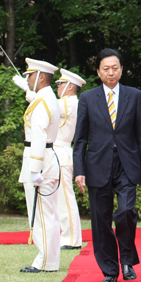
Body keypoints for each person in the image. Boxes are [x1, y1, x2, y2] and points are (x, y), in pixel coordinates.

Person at [73, 49, 141, 282]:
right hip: (97, 165)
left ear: (121, 69)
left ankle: (127, 260)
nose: (111, 72)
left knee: (126, 212)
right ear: (98, 72)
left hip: (128, 164)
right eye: (106, 68)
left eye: (115, 68)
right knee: (101, 219)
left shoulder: (135, 95)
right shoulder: (87, 98)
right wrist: (79, 170)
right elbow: (80, 139)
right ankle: (109, 268)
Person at [12, 58, 61, 272]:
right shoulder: (47, 97)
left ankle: (45, 261)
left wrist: (34, 170)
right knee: (47, 212)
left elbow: (39, 135)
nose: (27, 78)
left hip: (40, 160)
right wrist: (28, 91)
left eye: (29, 75)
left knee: (41, 214)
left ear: (41, 77)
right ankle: (49, 260)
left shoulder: (43, 101)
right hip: (47, 158)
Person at [55, 69, 86, 250]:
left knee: (65, 198)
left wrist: (30, 92)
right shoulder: (67, 103)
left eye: (60, 84)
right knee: (60, 198)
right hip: (59, 151)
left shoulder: (69, 103)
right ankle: (67, 236)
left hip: (62, 152)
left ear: (69, 87)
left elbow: (45, 105)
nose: (58, 87)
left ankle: (72, 239)